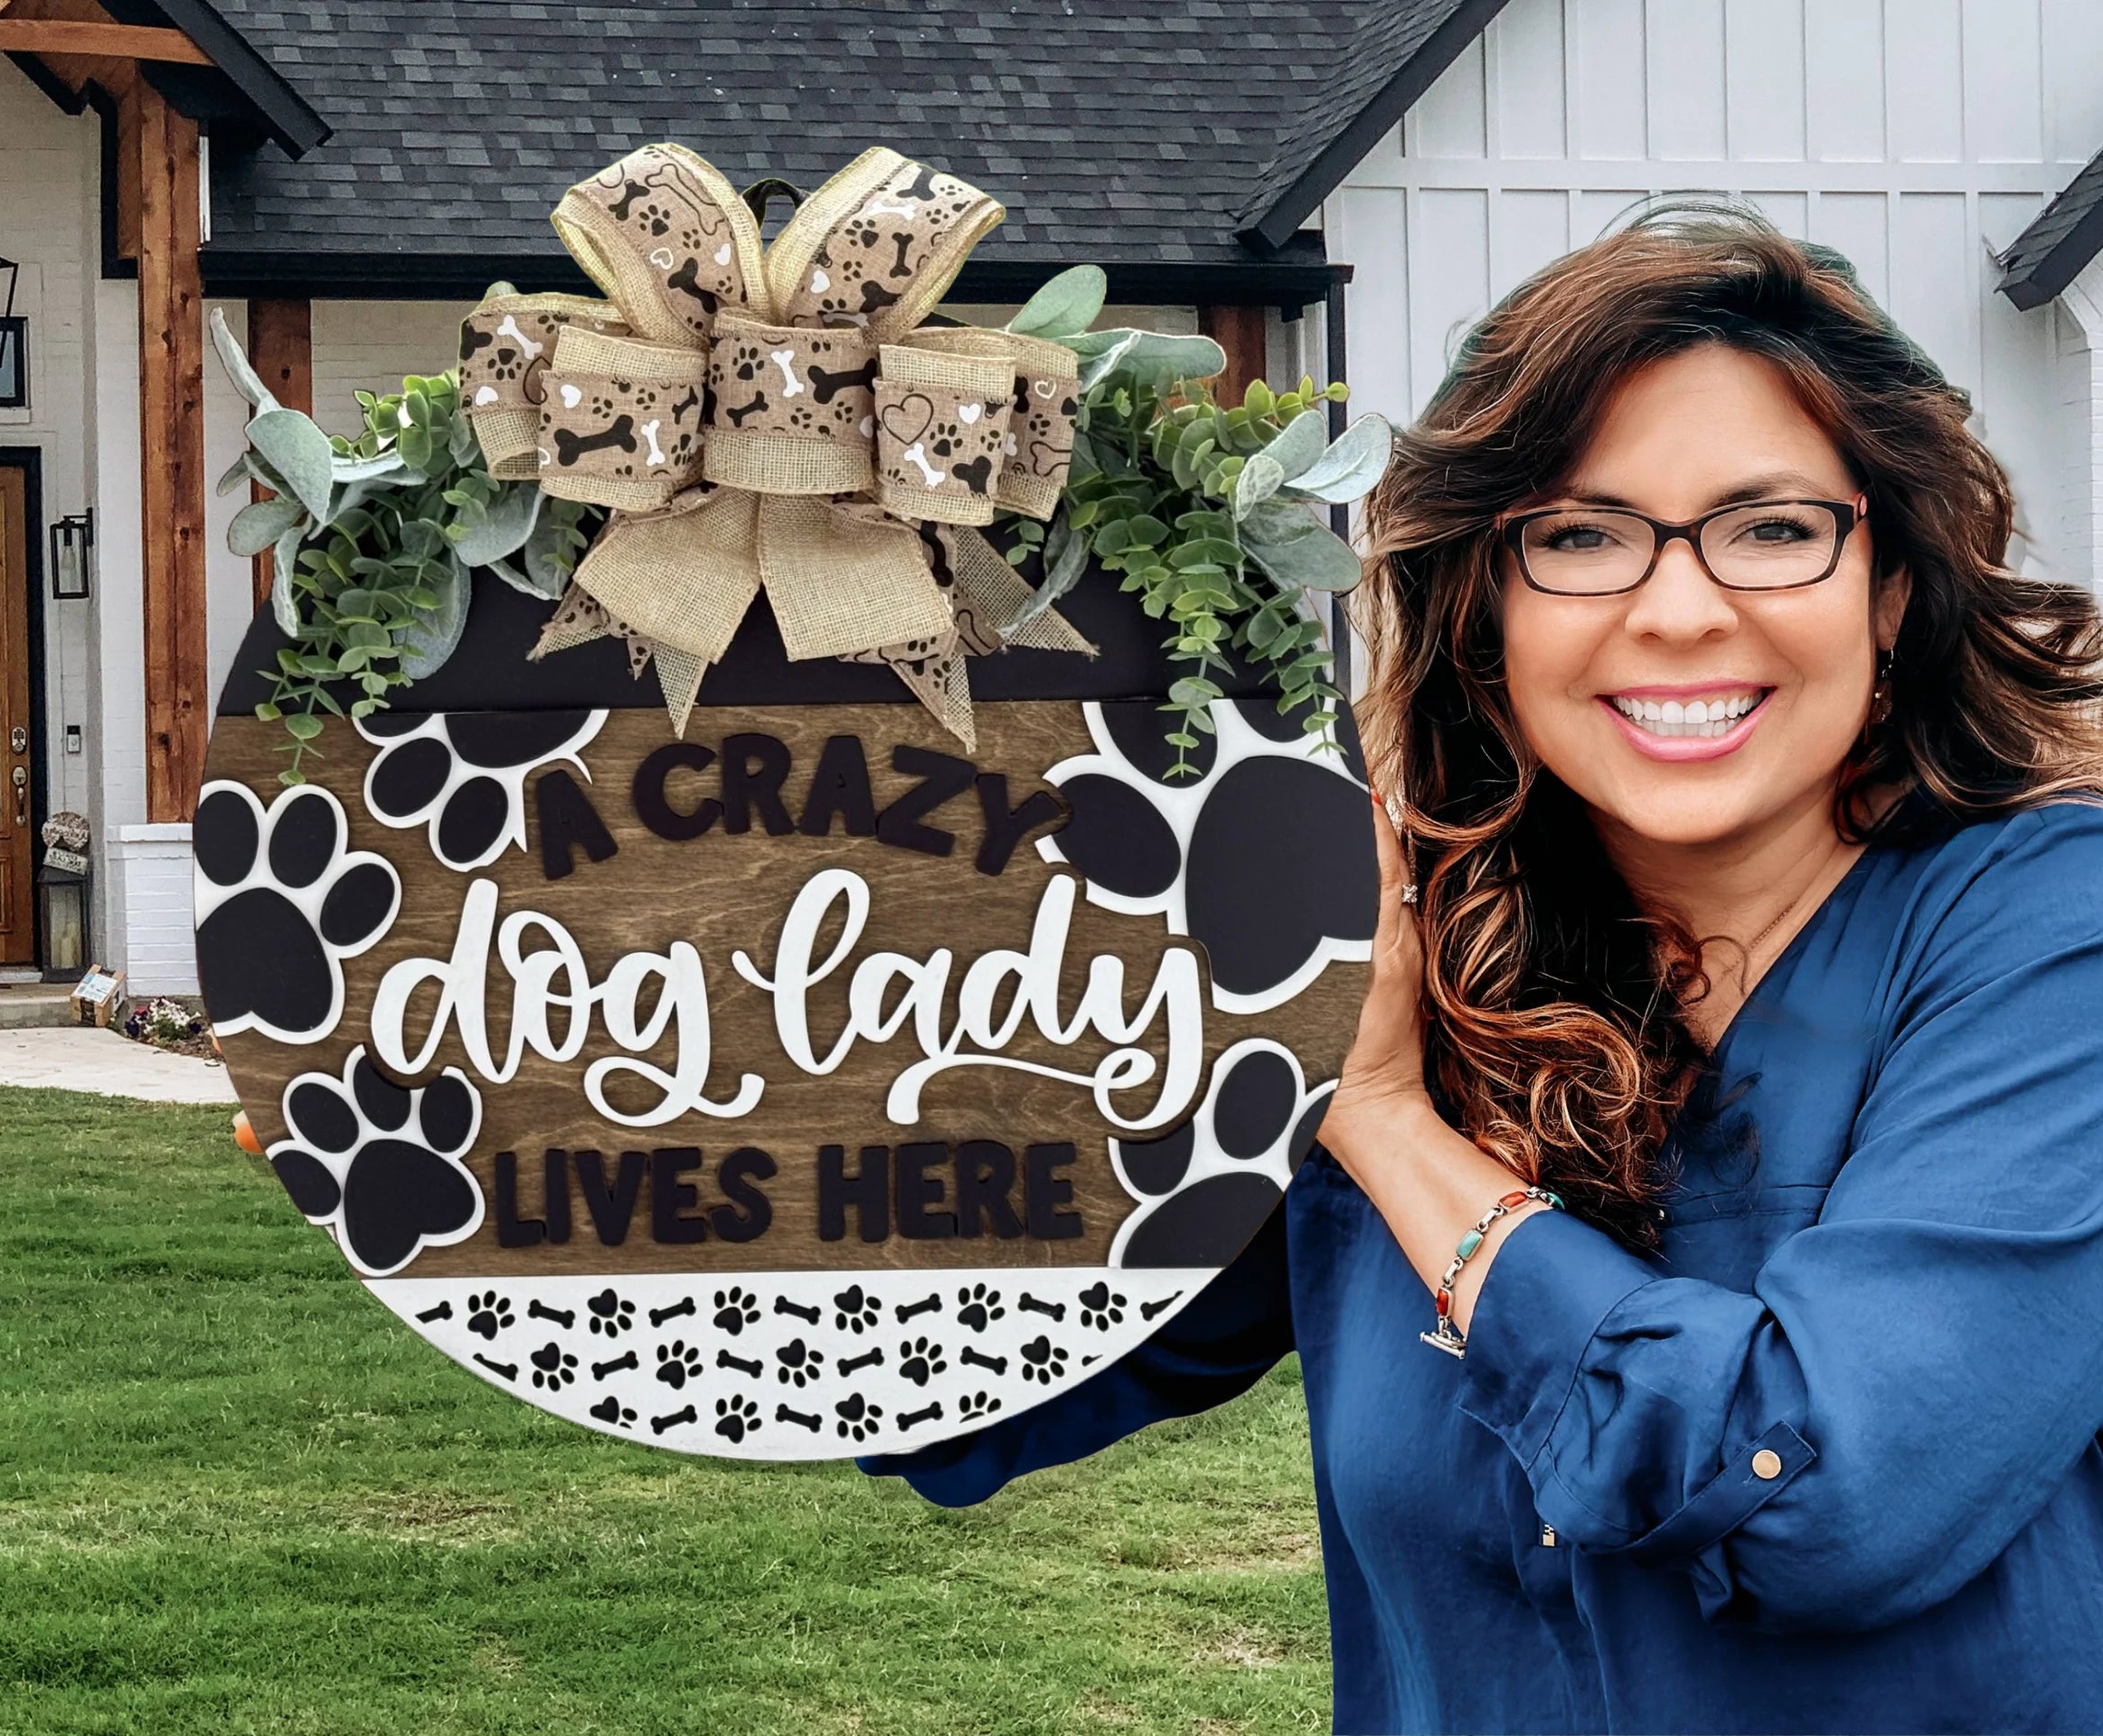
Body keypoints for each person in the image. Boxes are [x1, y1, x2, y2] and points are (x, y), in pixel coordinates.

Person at [863, 207, 2103, 1733]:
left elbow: (1829, 1495)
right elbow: (977, 1376)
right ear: (1486, 612)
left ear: (1891, 588)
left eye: (1773, 527)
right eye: (1578, 537)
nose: (1677, 609)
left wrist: (1388, 1121)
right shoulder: (1401, 951)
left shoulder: (2053, 939)